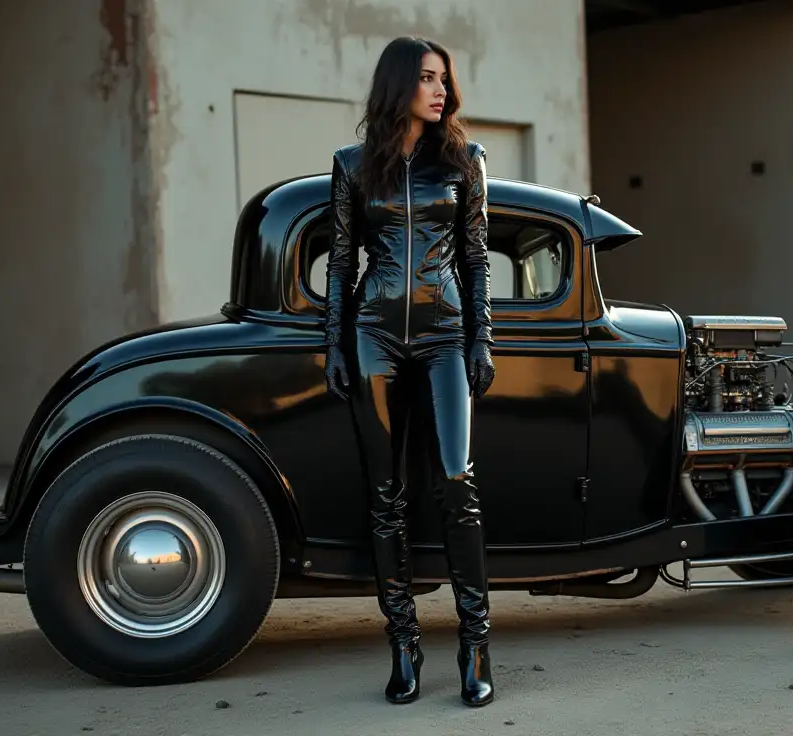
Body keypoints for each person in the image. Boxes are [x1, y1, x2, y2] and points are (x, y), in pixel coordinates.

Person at [322, 36, 497, 708]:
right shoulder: (352, 165)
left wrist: (483, 338)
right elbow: (340, 264)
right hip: (372, 337)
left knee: (457, 480)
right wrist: (336, 346)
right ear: (400, 84)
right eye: (427, 79)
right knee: (387, 498)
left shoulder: (464, 161)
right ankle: (404, 645)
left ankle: (476, 645)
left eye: (444, 80)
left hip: (446, 333)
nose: (440, 91)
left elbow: (478, 259)